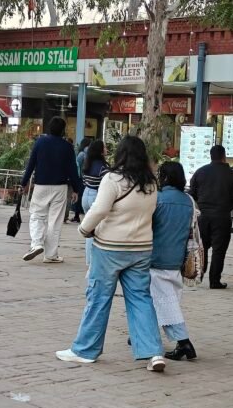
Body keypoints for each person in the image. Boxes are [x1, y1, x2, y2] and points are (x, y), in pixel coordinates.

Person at [56, 136, 167, 372]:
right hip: (141, 249)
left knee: (98, 298)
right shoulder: (151, 183)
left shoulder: (113, 178)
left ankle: (85, 350)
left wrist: (84, 228)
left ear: (121, 154)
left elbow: (100, 209)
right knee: (141, 300)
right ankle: (153, 352)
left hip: (110, 249)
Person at [150, 161, 198, 361]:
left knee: (165, 303)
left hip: (156, 258)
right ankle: (143, 333)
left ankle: (184, 342)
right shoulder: (189, 200)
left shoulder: (157, 199)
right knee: (165, 300)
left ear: (165, 178)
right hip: (178, 259)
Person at [20, 116, 83, 264]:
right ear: (63, 130)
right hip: (60, 188)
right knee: (55, 221)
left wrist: (24, 183)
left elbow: (31, 164)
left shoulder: (40, 142)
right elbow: (72, 170)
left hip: (41, 186)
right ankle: (51, 255)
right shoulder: (67, 147)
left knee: (37, 215)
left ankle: (36, 244)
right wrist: (76, 189)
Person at [188, 144, 233, 289]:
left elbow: (192, 193)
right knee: (219, 250)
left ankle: (199, 274)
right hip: (222, 216)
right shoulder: (232, 175)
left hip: (203, 216)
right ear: (224, 156)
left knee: (202, 247)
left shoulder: (200, 172)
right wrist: (227, 206)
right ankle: (214, 280)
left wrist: (201, 204)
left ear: (210, 156)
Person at [81, 139, 109, 266]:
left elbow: (84, 181)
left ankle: (89, 260)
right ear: (100, 151)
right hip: (95, 196)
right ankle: (93, 260)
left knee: (89, 227)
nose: (107, 150)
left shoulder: (88, 164)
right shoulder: (103, 167)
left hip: (86, 194)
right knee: (97, 229)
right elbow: (108, 184)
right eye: (105, 148)